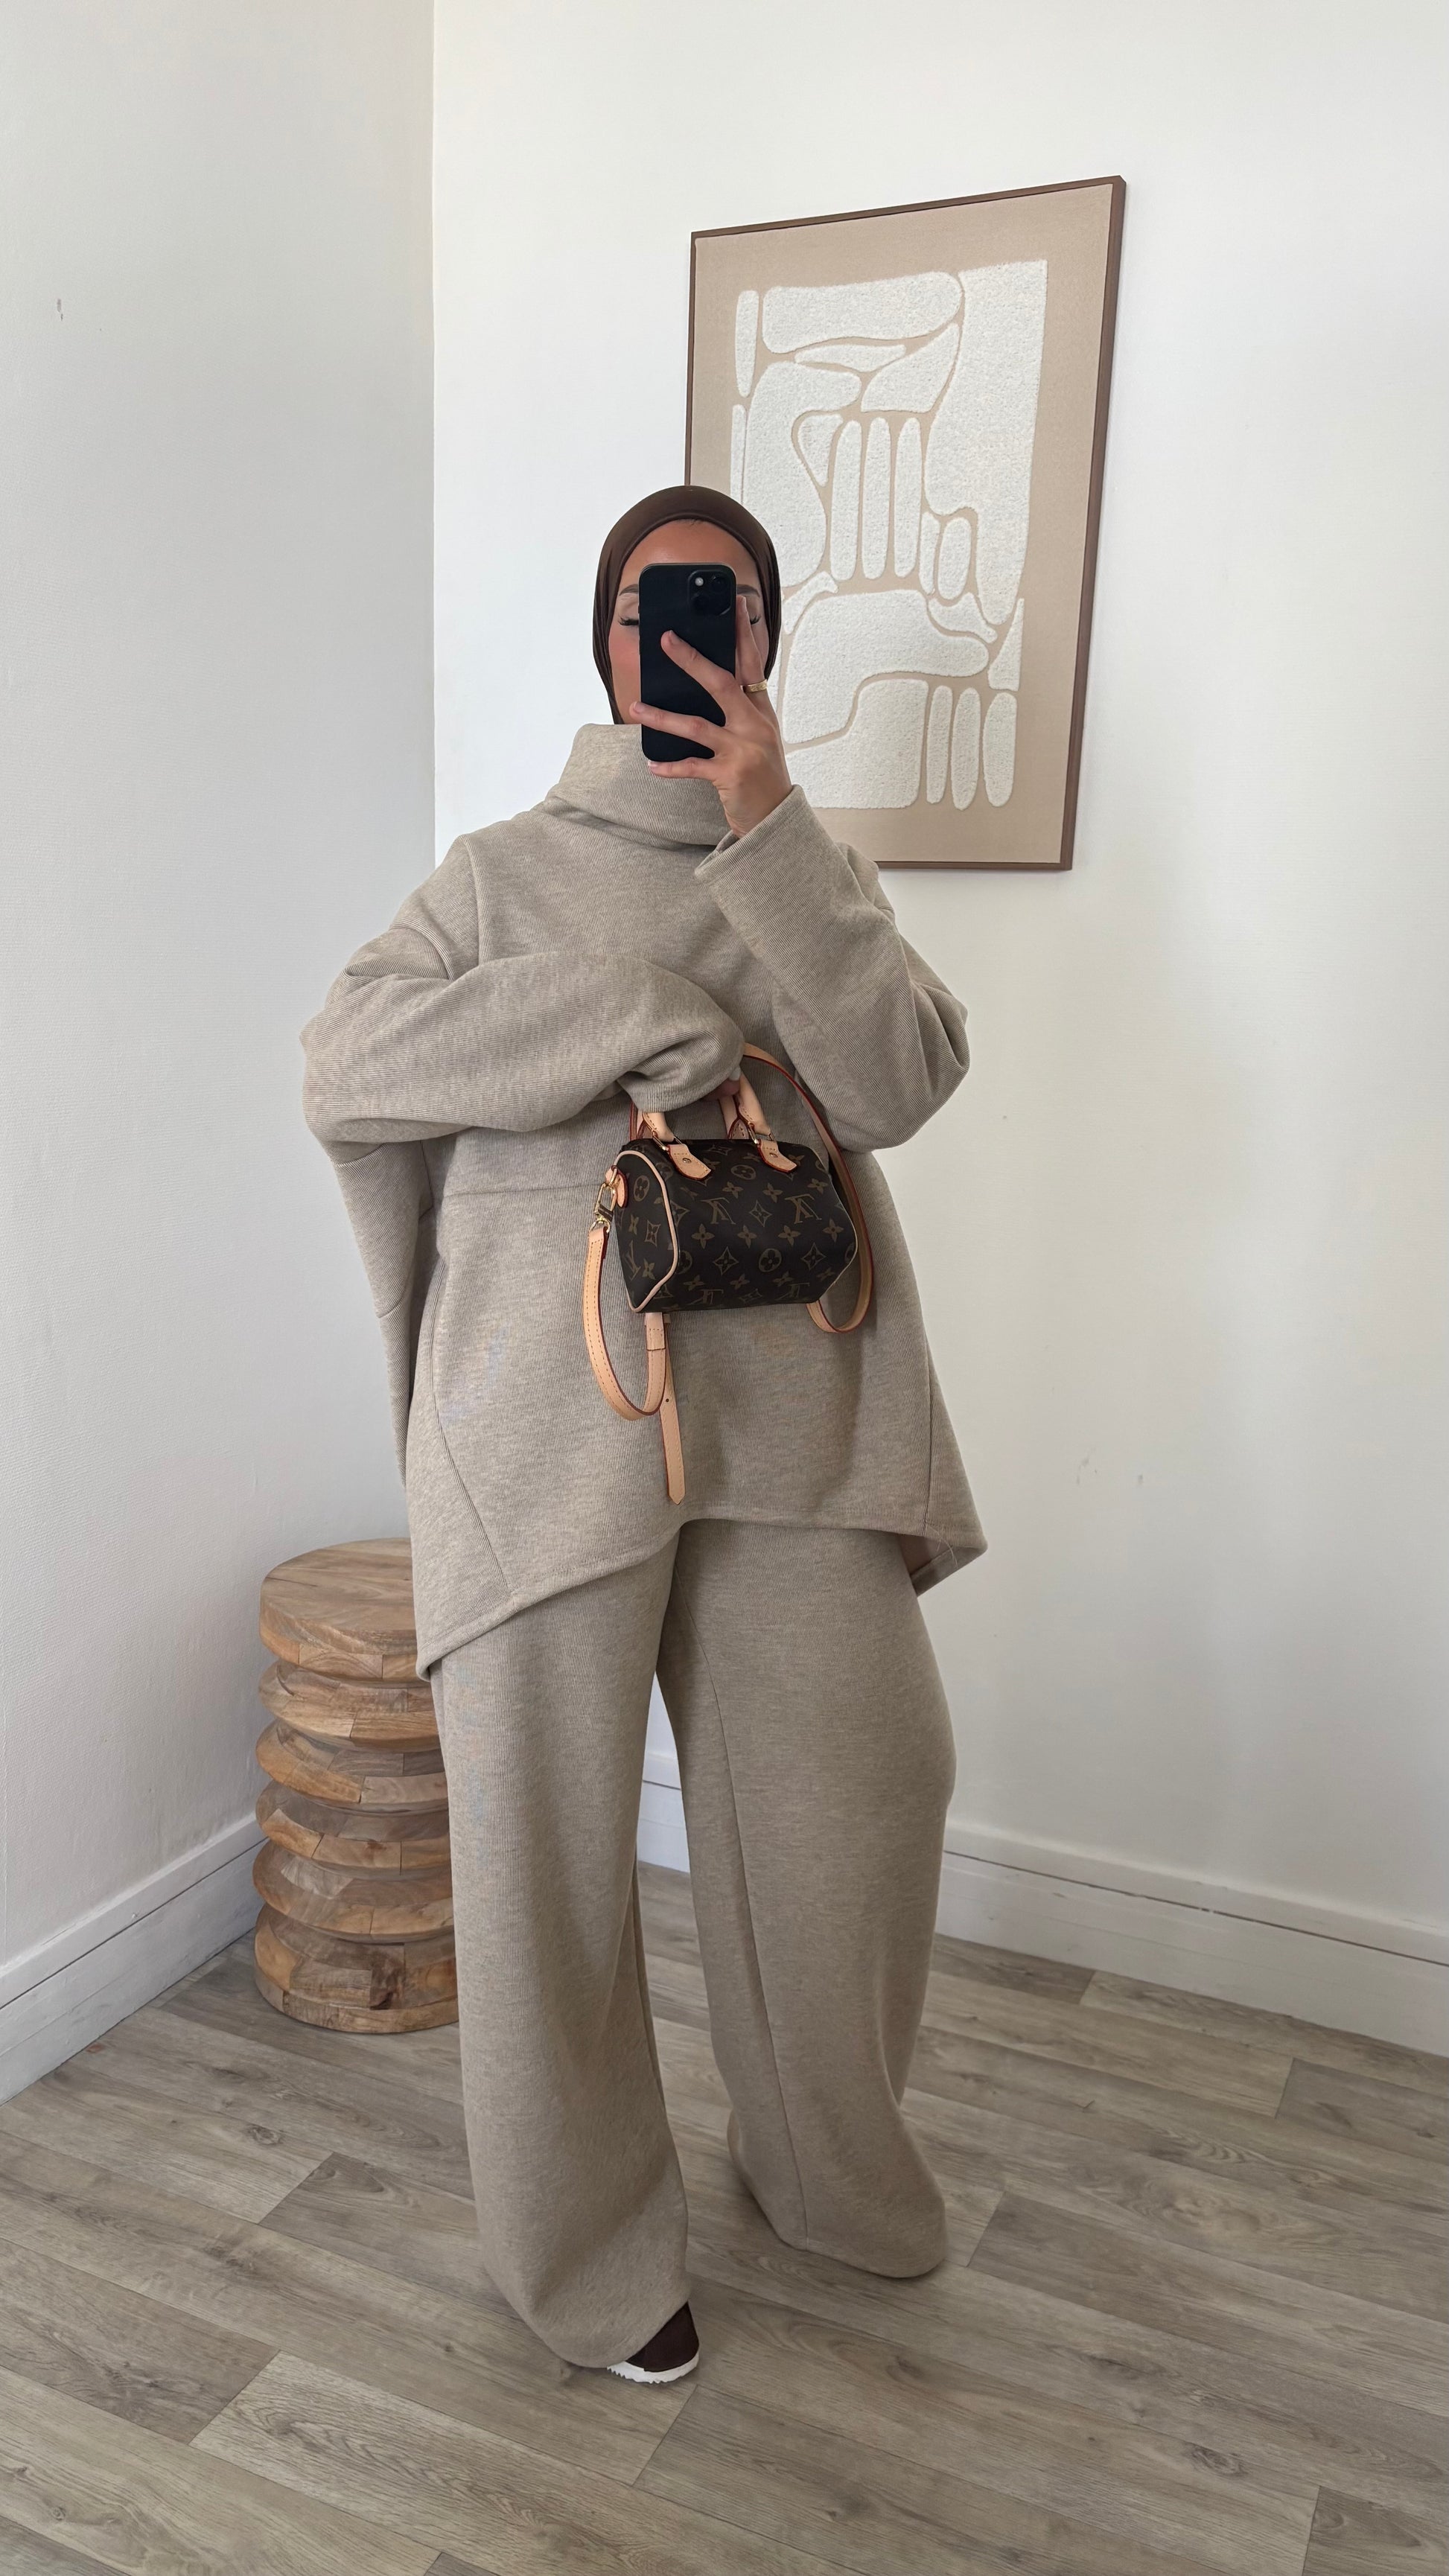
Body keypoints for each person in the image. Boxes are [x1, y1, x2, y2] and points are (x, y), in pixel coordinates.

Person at [300, 483, 986, 2383]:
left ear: (764, 638)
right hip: (550, 1426)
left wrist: (773, 832)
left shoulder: (807, 867)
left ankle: (827, 2167)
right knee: (545, 1860)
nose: (686, 630)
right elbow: (343, 1059)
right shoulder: (496, 876)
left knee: (870, 1789)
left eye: (725, 601)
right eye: (653, 602)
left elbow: (902, 1081)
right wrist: (624, 1008)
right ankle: (589, 2258)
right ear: (606, 641)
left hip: (799, 1416)